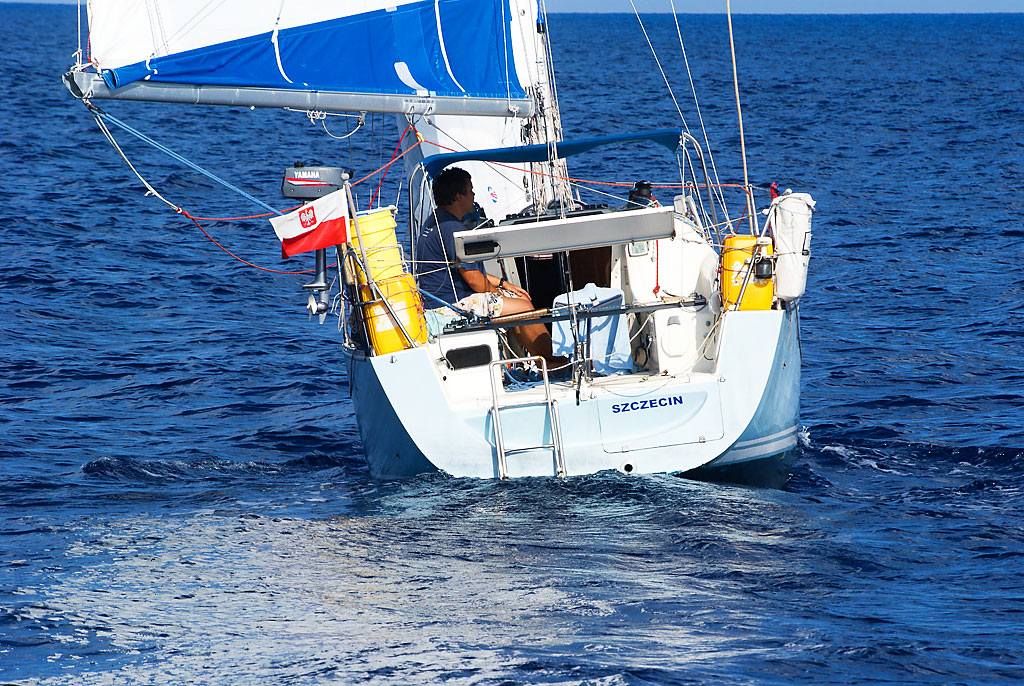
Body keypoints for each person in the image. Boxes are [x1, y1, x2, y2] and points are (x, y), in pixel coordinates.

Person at [415, 167, 561, 365]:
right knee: (525, 307)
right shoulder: (452, 229)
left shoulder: (434, 221)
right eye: (470, 191)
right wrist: (499, 295)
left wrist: (504, 284)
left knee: (516, 300)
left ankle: (537, 361)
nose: (474, 195)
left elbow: (465, 271)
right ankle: (554, 360)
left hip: (437, 303)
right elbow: (474, 280)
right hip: (452, 306)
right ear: (458, 197)